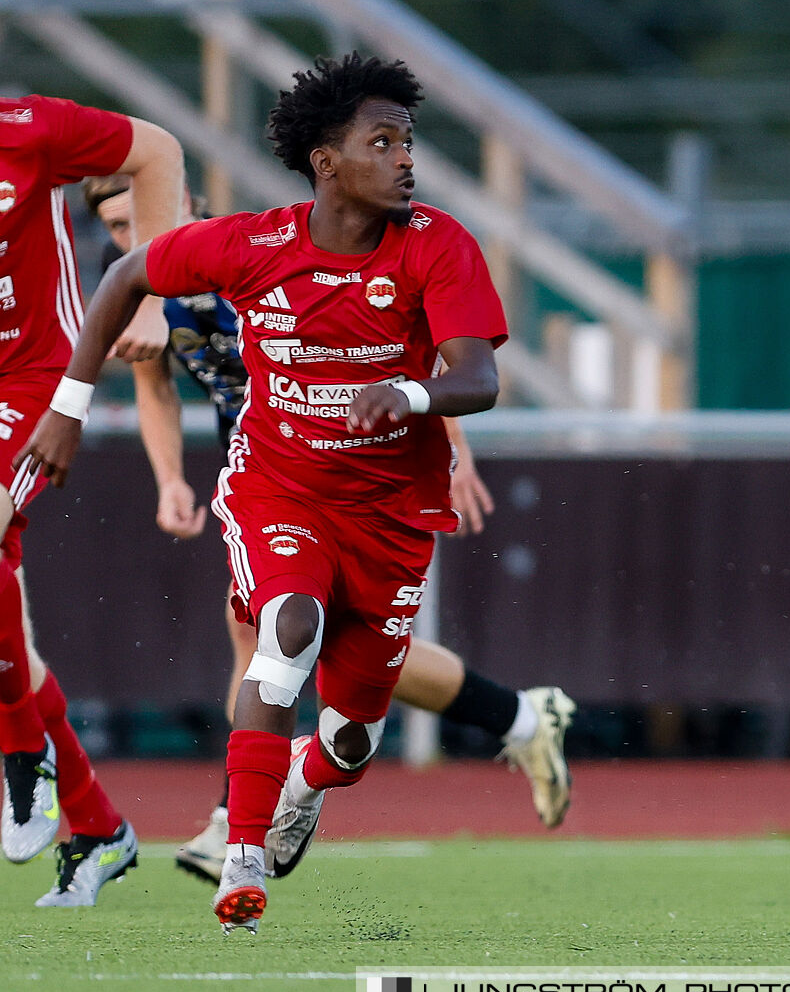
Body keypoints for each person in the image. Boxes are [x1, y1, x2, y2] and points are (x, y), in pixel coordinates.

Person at [28, 51, 507, 934]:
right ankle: (240, 856)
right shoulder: (254, 243)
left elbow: (476, 375)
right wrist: (68, 405)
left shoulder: (437, 244)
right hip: (278, 488)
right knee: (288, 627)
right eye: (385, 141)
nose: (407, 158)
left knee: (354, 735)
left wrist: (406, 392)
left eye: (408, 141)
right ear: (327, 162)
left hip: (394, 514)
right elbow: (124, 278)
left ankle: (305, 783)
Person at [82, 177, 576, 884]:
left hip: (355, 463)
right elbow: (154, 382)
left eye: (138, 219)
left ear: (182, 200)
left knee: (319, 643)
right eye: (117, 227)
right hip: (271, 469)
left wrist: (454, 451)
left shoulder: (243, 252)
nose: (130, 237)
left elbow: (398, 347)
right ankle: (247, 813)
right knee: (273, 634)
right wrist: (168, 478)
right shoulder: (149, 282)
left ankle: (519, 719)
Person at [0, 92, 184, 908]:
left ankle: (19, 753)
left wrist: (149, 290)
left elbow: (159, 151)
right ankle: (97, 822)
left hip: (33, 375)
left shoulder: (26, 128)